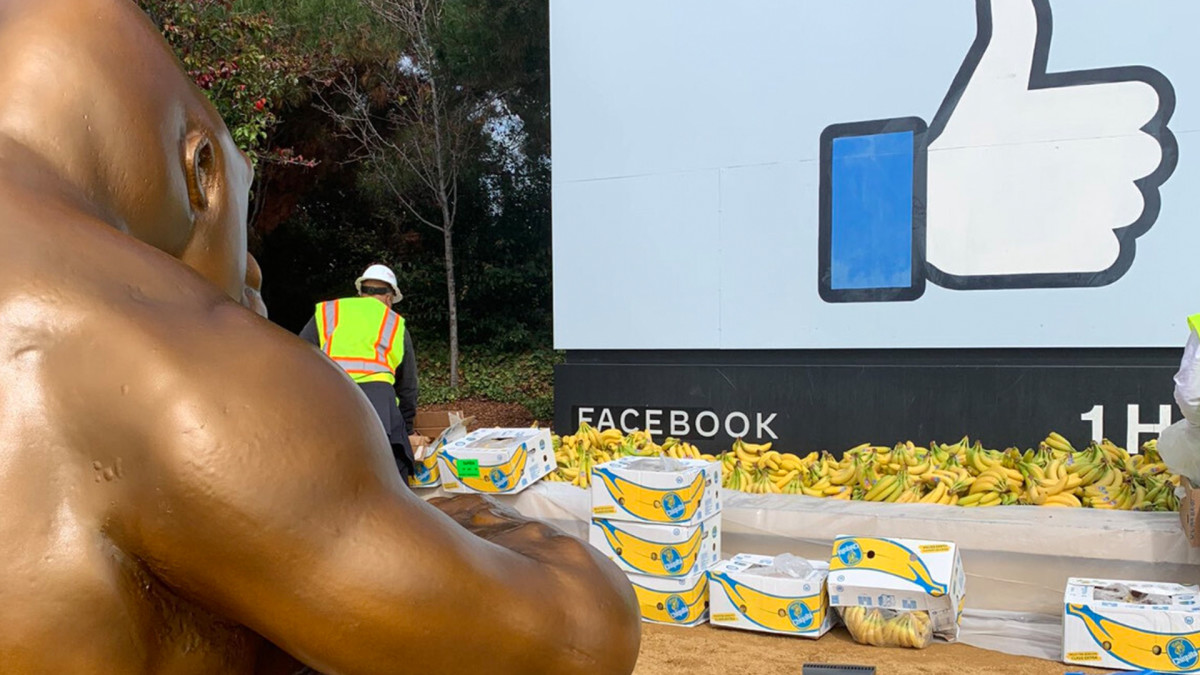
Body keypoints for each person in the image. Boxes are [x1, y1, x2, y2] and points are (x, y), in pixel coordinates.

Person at [0, 0, 641, 672]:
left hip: (346, 426)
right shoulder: (184, 354)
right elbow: (581, 637)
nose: (251, 269)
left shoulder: (329, 312)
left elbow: (312, 346)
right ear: (202, 170)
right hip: (352, 430)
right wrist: (472, 520)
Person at [299, 263, 422, 481]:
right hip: (379, 405)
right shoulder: (394, 323)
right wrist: (407, 430)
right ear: (389, 298)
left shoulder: (329, 312)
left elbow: (300, 356)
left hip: (332, 397)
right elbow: (407, 387)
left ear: (361, 292)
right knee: (391, 477)